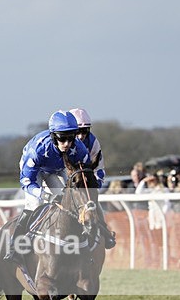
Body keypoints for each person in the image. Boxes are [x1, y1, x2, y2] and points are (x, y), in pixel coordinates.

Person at [6, 110, 114, 260]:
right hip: (35, 171)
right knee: (34, 203)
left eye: (71, 138)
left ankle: (86, 241)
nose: (67, 144)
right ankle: (15, 246)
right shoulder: (37, 150)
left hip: (57, 169)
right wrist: (42, 194)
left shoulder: (79, 149)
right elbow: (26, 181)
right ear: (53, 136)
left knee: (71, 201)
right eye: (62, 139)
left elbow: (84, 176)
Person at [69, 108, 106, 186]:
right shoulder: (62, 141)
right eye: (78, 131)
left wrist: (97, 185)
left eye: (85, 131)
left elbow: (99, 168)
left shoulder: (93, 142)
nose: (81, 136)